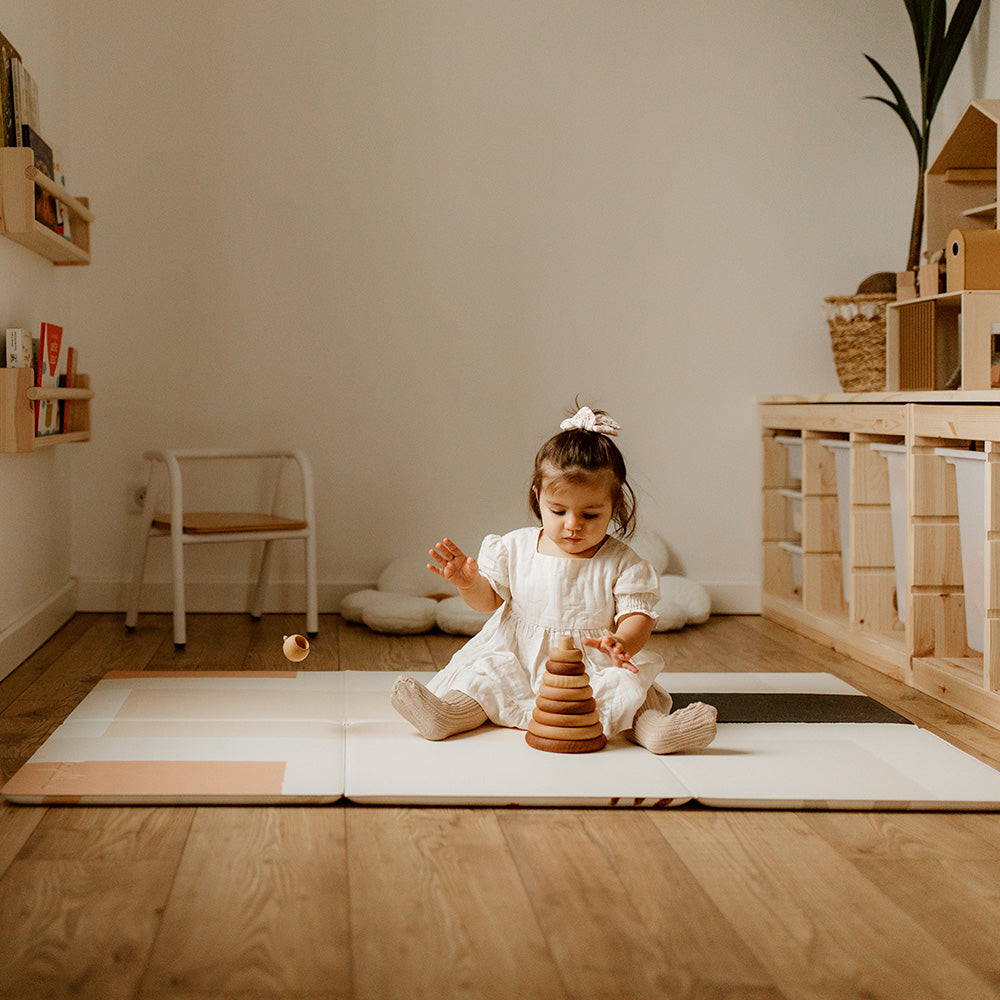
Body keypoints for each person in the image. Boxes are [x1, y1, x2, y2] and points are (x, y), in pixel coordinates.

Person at [390, 404, 717, 754]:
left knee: (624, 692)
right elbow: (490, 603)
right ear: (538, 498)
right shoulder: (514, 548)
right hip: (517, 656)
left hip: (591, 663)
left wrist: (621, 642)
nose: (573, 524)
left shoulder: (624, 564)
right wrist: (468, 583)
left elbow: (637, 617)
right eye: (558, 511)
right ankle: (446, 716)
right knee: (484, 678)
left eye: (590, 514)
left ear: (615, 505)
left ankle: (657, 732)